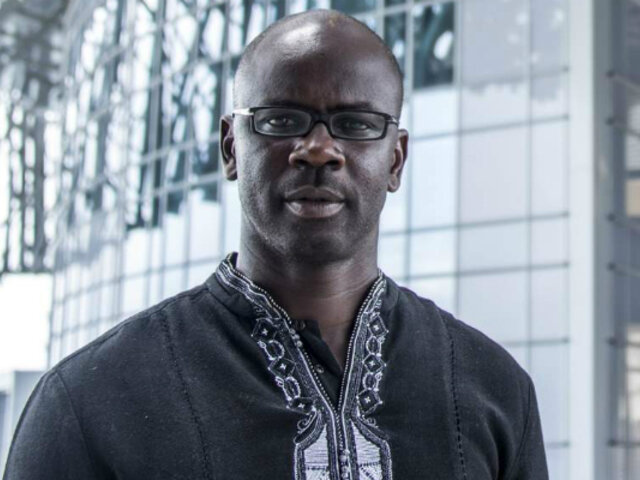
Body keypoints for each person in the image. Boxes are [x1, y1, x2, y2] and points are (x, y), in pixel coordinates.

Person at [3, 9, 548, 480]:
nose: (318, 150)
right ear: (230, 148)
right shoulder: (91, 401)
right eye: (281, 119)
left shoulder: (492, 389)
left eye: (356, 124)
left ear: (396, 160)